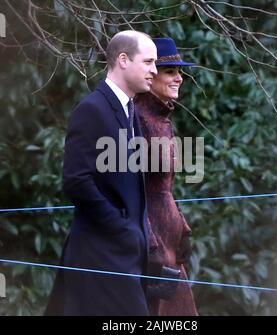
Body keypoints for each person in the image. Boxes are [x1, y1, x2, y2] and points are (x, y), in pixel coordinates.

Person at [45, 30, 157, 316]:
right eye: (148, 62)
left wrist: (138, 237)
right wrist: (121, 229)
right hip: (99, 253)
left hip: (123, 256)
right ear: (123, 60)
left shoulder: (129, 109)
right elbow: (76, 181)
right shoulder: (92, 109)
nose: (154, 71)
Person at [134, 37, 198, 316]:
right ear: (151, 74)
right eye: (171, 71)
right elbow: (132, 189)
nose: (179, 78)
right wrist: (150, 244)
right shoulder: (137, 119)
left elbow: (164, 188)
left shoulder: (161, 119)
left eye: (179, 72)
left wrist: (182, 227)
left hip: (169, 239)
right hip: (152, 243)